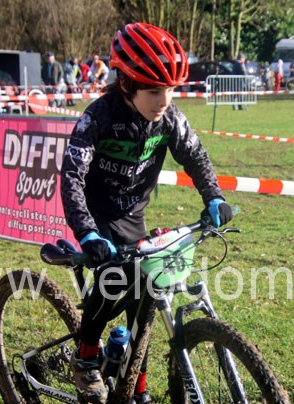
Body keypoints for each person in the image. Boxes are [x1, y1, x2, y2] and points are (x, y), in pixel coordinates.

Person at [61, 22, 234, 403]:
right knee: (113, 278)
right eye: (154, 91)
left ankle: (134, 384)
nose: (164, 100)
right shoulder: (98, 117)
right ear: (127, 84)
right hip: (96, 215)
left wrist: (213, 197)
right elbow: (71, 176)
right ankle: (85, 355)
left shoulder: (168, 117)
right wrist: (87, 232)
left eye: (170, 90)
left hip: (132, 214)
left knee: (145, 298)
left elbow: (195, 156)